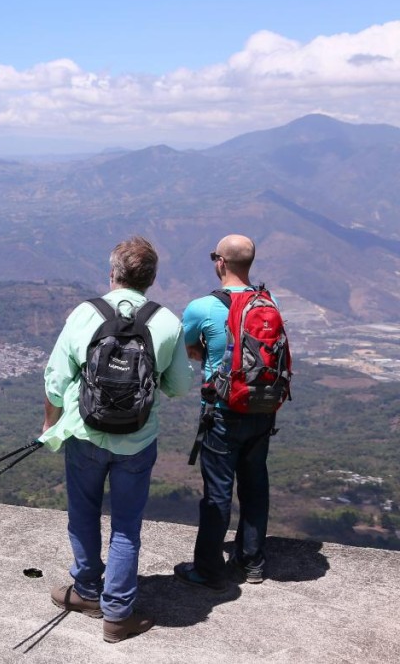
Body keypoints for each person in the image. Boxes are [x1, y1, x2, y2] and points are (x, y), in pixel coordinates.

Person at [41, 235, 192, 643]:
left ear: (112, 274)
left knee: (83, 513)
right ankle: (118, 615)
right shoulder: (166, 322)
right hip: (138, 441)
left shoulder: (85, 314)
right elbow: (179, 387)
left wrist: (49, 424)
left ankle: (87, 591)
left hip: (85, 434)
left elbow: (56, 382)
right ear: (152, 279)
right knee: (126, 526)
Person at [174, 234, 278, 590]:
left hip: (221, 412)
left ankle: (208, 569)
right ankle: (252, 562)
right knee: (255, 484)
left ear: (220, 262)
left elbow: (187, 348)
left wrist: (210, 357)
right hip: (262, 408)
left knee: (218, 493)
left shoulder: (201, 308)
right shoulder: (269, 301)